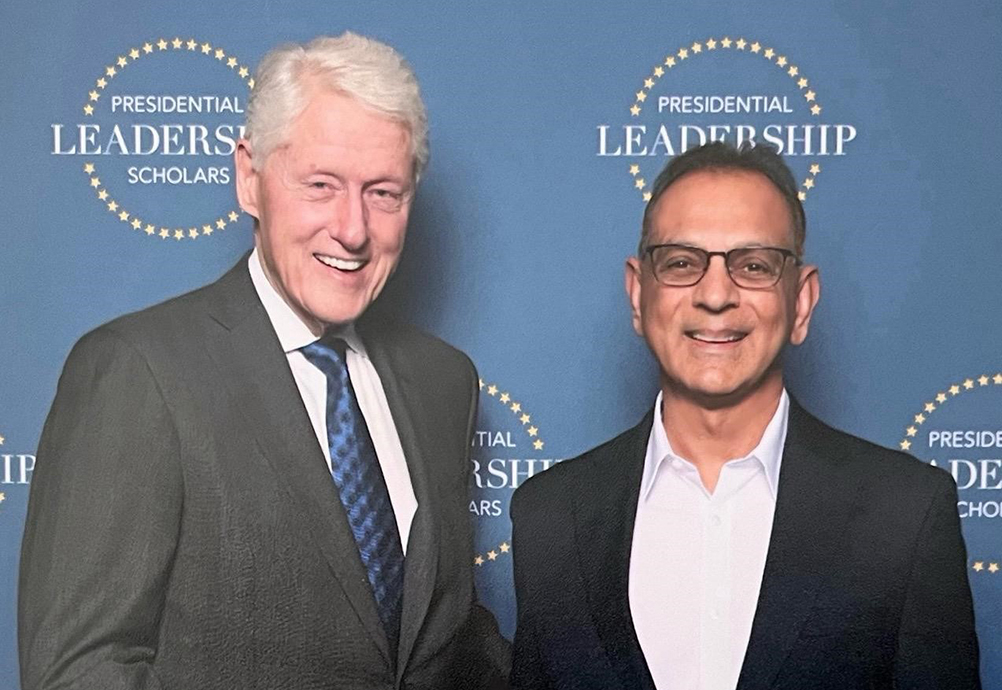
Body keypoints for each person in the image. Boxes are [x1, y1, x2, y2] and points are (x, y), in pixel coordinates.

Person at [19, 32, 508, 690]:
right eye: (320, 185)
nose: (353, 228)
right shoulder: (137, 373)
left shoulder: (443, 380)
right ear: (249, 179)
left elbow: (448, 642)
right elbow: (82, 672)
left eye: (383, 193)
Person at [509, 141, 979, 690]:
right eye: (682, 263)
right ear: (639, 295)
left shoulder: (905, 516)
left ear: (800, 303)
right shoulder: (549, 518)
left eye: (753, 266)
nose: (715, 294)